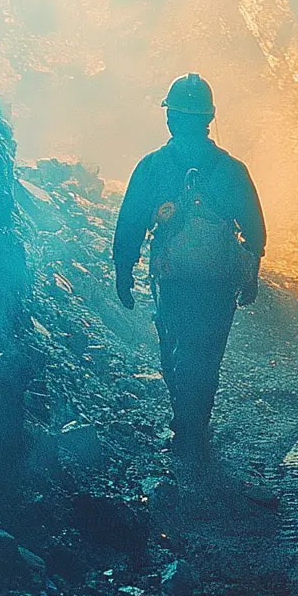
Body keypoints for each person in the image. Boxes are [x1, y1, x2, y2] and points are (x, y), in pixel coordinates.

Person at [113, 73, 266, 453]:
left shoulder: (152, 166)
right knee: (208, 351)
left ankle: (184, 424)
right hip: (219, 279)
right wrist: (251, 275)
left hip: (173, 278)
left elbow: (131, 221)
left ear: (170, 119)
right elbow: (255, 230)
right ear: (209, 118)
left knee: (175, 346)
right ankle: (198, 425)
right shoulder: (232, 169)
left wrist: (123, 269)